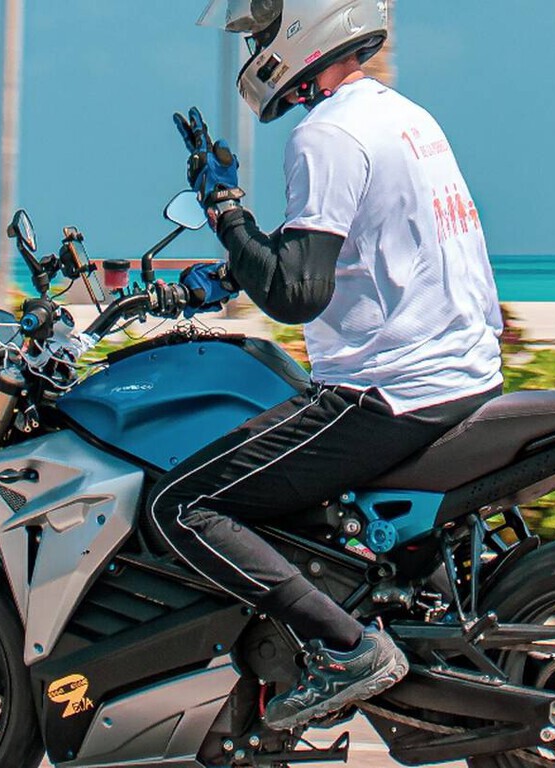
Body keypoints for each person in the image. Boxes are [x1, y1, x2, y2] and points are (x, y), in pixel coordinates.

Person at [149, 0, 503, 730]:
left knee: (180, 506)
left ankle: (345, 649)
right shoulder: (402, 115)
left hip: (388, 390)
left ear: (301, 27)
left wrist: (225, 209)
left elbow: (296, 292)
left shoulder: (326, 134)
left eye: (258, 31)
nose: (252, 46)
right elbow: (346, 245)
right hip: (459, 372)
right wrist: (233, 271)